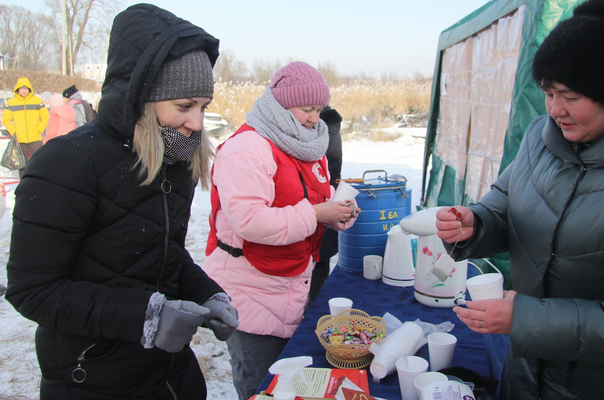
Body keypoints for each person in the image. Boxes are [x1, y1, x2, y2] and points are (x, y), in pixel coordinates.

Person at [435, 0, 604, 399]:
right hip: (527, 371)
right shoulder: (543, 137)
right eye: (547, 93)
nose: (555, 110)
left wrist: (525, 319)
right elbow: (506, 203)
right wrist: (476, 224)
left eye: (571, 96)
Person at [5, 4, 239, 400]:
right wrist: (145, 316)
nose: (197, 123)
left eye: (204, 106)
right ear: (144, 98)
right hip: (93, 379)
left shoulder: (172, 156)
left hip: (169, 374)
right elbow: (34, 290)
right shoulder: (69, 162)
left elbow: (159, 252)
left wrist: (205, 292)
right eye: (184, 106)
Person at [203, 61, 360, 399]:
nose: (314, 118)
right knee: (262, 384)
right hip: (250, 292)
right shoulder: (248, 148)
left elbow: (311, 198)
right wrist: (317, 212)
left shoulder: (307, 143)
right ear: (282, 104)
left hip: (290, 284)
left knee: (289, 384)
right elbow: (250, 221)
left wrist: (335, 211)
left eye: (319, 109)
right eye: (307, 109)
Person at [309, 106, 343, 303]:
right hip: (326, 207)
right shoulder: (331, 124)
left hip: (318, 210)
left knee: (314, 271)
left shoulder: (320, 127)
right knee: (320, 269)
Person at [2, 77, 49, 177]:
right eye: (21, 88)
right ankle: (24, 184)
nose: (23, 91)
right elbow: (6, 120)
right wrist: (14, 131)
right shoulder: (11, 102)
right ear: (18, 89)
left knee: (37, 162)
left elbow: (45, 116)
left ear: (29, 89)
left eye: (26, 88)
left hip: (35, 138)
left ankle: (38, 181)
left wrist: (39, 129)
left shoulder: (37, 101)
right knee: (22, 165)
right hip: (20, 139)